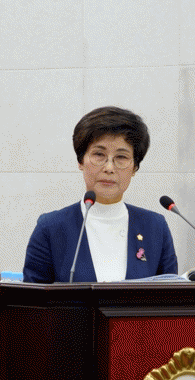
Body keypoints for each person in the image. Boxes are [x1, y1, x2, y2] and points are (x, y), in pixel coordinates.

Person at [22, 106, 178, 283]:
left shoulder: (155, 227)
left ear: (135, 167)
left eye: (121, 157)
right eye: (99, 154)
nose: (109, 168)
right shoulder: (51, 228)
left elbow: (169, 296)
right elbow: (33, 297)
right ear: (81, 161)